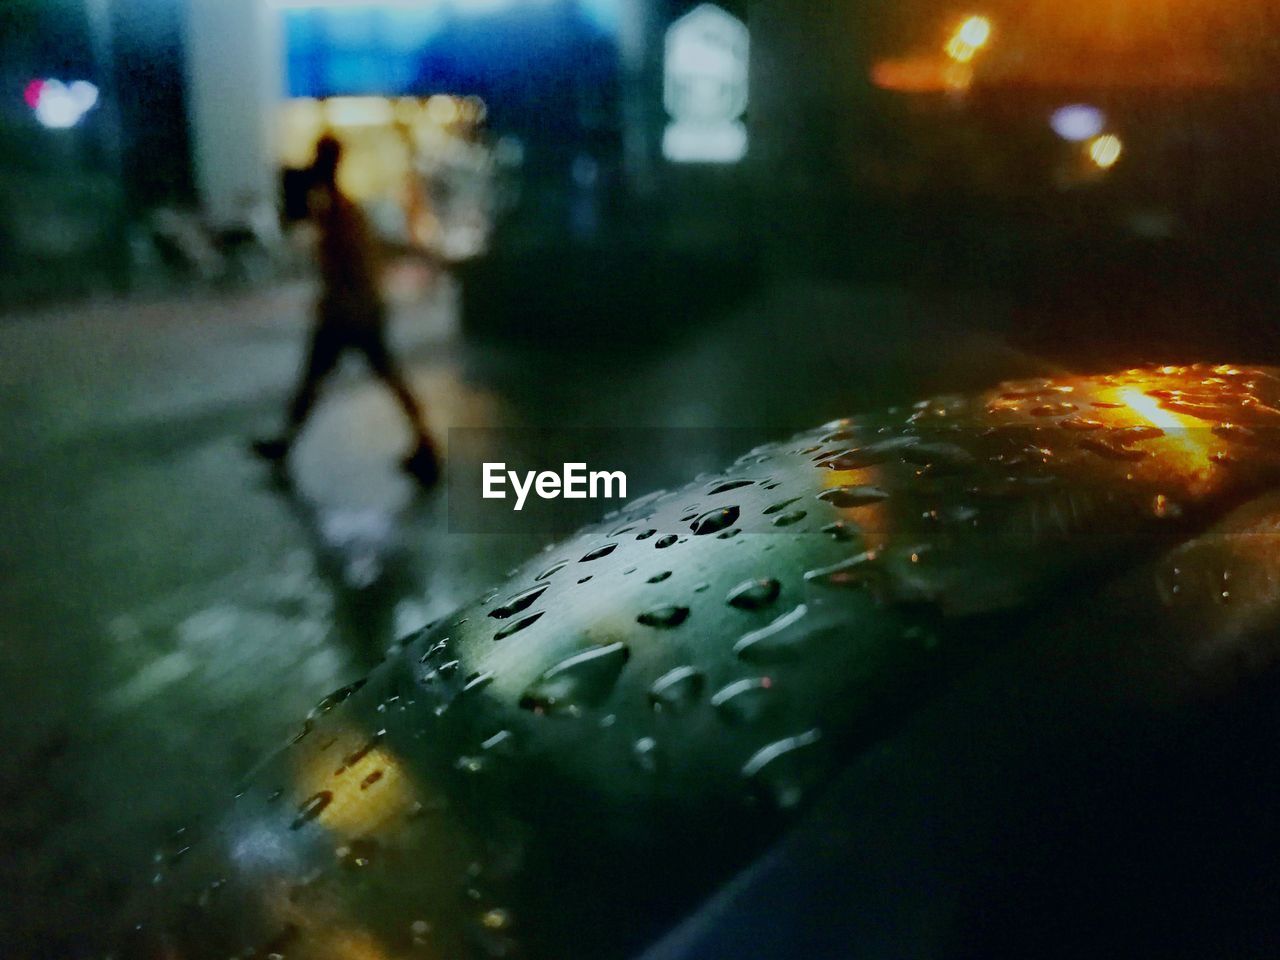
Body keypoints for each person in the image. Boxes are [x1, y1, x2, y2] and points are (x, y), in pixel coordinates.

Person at [254, 135, 440, 486]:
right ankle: (424, 447)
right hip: (356, 310)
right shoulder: (338, 205)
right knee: (365, 378)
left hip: (348, 314)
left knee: (333, 379)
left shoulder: (336, 207)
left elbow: (348, 263)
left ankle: (425, 447)